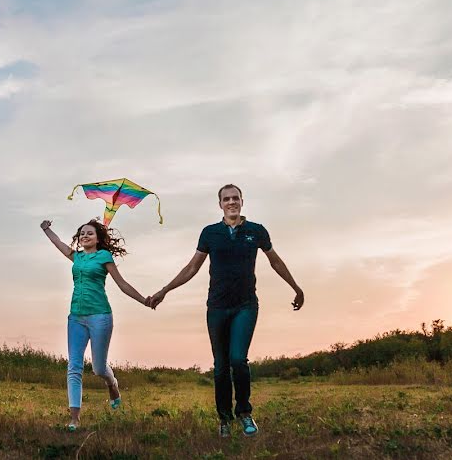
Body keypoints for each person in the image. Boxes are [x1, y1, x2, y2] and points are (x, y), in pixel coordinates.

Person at [147, 184, 304, 438]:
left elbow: (275, 261)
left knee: (238, 360)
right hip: (217, 307)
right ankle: (224, 418)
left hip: (245, 305)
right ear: (220, 204)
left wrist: (296, 287)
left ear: (242, 201)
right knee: (220, 366)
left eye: (235, 198)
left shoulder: (256, 231)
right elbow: (192, 267)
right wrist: (165, 290)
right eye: (226, 199)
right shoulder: (210, 233)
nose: (231, 202)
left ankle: (244, 413)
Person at [40, 218, 149, 431]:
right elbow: (58, 243)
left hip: (100, 316)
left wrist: (144, 300)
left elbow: (122, 283)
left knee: (99, 368)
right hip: (76, 317)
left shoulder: (104, 256)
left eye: (89, 233)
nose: (84, 236)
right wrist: (46, 229)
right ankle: (74, 418)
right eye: (81, 234)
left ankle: (112, 384)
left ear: (98, 238)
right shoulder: (77, 257)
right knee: (74, 367)